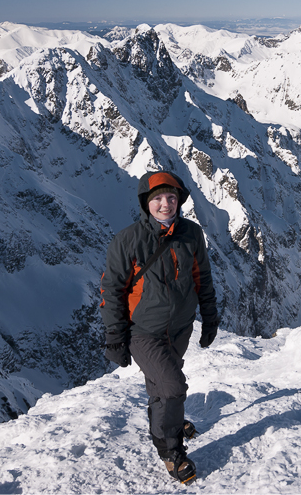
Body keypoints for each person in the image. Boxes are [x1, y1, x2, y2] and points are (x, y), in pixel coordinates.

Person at [99, 170, 220, 484]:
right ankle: (170, 450)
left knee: (161, 386)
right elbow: (112, 290)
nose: (165, 204)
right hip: (143, 331)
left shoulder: (191, 234)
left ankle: (169, 420)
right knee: (172, 387)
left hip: (180, 327)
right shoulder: (128, 241)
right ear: (145, 203)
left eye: (171, 197)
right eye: (157, 199)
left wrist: (210, 317)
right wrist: (115, 336)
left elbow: (201, 278)